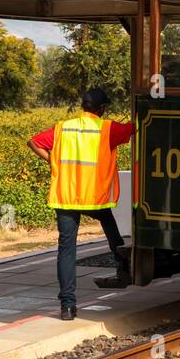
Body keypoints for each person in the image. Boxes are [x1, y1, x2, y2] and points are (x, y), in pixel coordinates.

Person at [27, 87, 134, 320]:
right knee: (107, 220)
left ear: (83, 106)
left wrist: (53, 162)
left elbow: (33, 142)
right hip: (93, 196)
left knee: (66, 250)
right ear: (102, 109)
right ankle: (123, 265)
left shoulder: (64, 128)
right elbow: (135, 128)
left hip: (66, 195)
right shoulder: (108, 128)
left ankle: (67, 306)